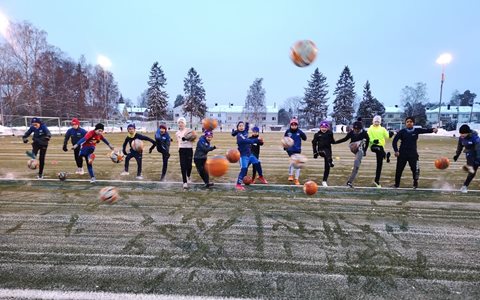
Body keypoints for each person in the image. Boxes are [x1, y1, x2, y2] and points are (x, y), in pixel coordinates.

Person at [392, 116, 437, 189]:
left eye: (411, 122)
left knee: (416, 170)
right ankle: (397, 184)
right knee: (399, 170)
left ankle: (415, 183)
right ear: (405, 123)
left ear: (413, 123)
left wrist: (433, 129)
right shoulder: (402, 132)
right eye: (407, 122)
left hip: (413, 154)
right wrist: (396, 151)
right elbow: (394, 142)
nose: (409, 123)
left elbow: (425, 130)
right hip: (402, 154)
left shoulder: (416, 130)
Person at [335, 118, 370, 188]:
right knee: (356, 144)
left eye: (358, 130)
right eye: (355, 129)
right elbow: (345, 139)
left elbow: (368, 141)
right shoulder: (351, 132)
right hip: (352, 146)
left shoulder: (364, 133)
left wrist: (365, 150)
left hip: (360, 150)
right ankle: (360, 143)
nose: (356, 131)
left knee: (356, 166)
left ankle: (349, 182)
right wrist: (335, 142)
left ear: (361, 129)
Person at [235, 121, 267, 191]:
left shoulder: (245, 132)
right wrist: (257, 139)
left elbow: (247, 127)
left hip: (250, 154)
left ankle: (261, 176)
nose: (241, 127)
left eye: (242, 126)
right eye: (239, 126)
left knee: (257, 163)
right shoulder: (239, 135)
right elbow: (247, 141)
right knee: (244, 170)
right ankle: (238, 184)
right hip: (243, 155)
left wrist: (247, 123)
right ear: (237, 128)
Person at [367, 115, 393, 188]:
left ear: (380, 122)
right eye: (375, 121)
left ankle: (376, 180)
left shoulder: (382, 129)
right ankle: (385, 156)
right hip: (373, 146)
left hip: (381, 147)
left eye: (378, 121)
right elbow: (368, 137)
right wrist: (373, 141)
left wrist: (390, 134)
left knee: (379, 164)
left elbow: (387, 136)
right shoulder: (370, 129)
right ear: (373, 121)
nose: (376, 122)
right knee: (379, 150)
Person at [453, 124, 480, 193]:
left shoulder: (475, 138)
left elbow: (478, 149)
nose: (461, 135)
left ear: (467, 132)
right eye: (460, 133)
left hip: (477, 154)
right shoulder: (461, 138)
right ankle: (464, 186)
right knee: (472, 171)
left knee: (473, 168)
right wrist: (457, 155)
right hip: (470, 155)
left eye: (463, 133)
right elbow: (460, 147)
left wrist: (478, 159)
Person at [312, 120, 335, 187]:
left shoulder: (330, 133)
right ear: (320, 127)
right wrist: (315, 152)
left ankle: (324, 181)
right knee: (324, 152)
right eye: (322, 127)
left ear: (327, 128)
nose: (324, 128)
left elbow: (332, 141)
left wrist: (332, 138)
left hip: (328, 152)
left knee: (327, 167)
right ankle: (330, 161)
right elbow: (314, 144)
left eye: (325, 127)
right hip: (321, 151)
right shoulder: (317, 135)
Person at [284, 118, 307, 185]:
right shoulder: (288, 131)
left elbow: (305, 138)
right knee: (293, 162)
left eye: (295, 124)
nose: (294, 126)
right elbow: (285, 139)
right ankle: (291, 175)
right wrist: (285, 146)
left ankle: (296, 179)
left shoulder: (299, 132)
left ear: (297, 125)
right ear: (290, 125)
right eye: (292, 124)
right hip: (290, 150)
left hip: (297, 150)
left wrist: (302, 135)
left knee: (298, 164)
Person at [176, 117, 194, 189]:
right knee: (183, 166)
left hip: (189, 149)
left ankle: (188, 176)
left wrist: (187, 138)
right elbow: (178, 142)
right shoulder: (177, 133)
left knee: (189, 166)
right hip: (182, 150)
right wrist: (179, 148)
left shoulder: (189, 131)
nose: (180, 124)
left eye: (182, 122)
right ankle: (185, 182)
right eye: (179, 123)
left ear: (185, 124)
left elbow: (193, 138)